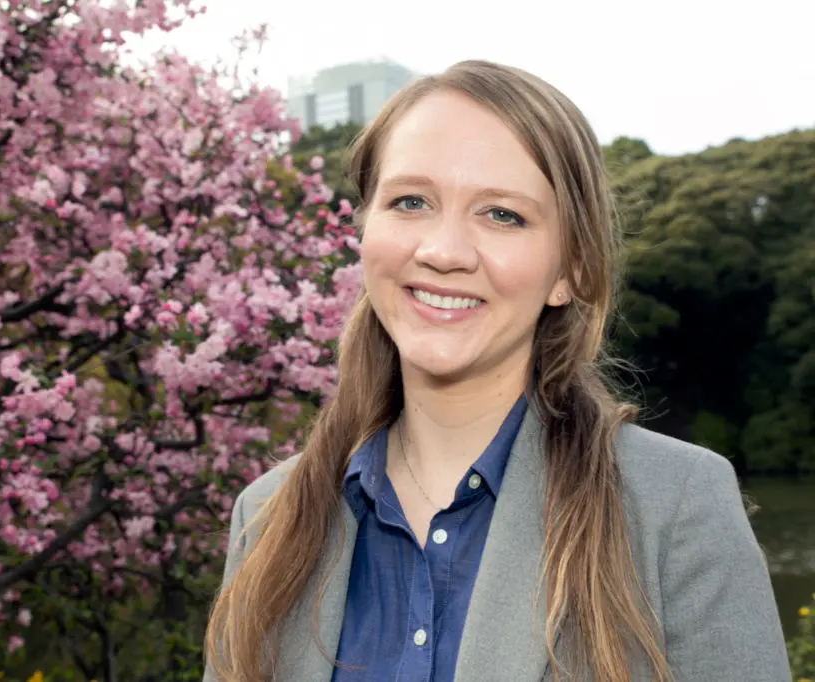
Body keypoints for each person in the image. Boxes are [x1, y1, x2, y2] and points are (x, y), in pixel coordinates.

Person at [202, 59, 791, 682]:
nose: (443, 252)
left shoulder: (675, 507)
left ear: (570, 272)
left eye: (502, 214)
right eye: (410, 201)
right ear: (365, 230)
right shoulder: (267, 519)